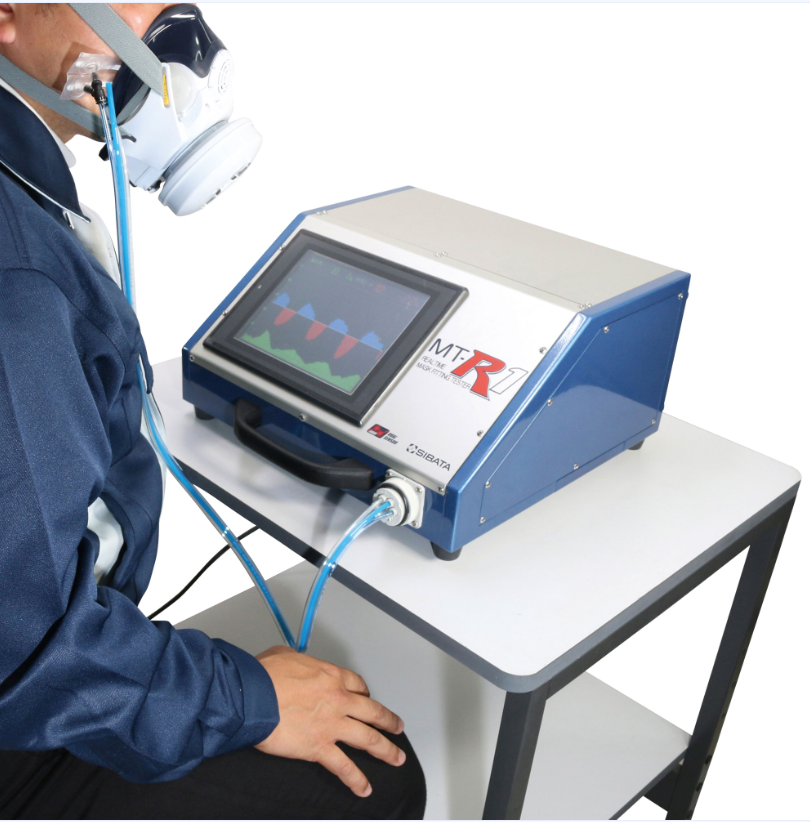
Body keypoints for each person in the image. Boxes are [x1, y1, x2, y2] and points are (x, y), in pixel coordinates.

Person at [0, 4, 426, 818]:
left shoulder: (24, 188)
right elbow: (22, 643)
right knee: (381, 780)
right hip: (22, 709)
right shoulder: (16, 275)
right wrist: (249, 700)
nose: (179, 28)